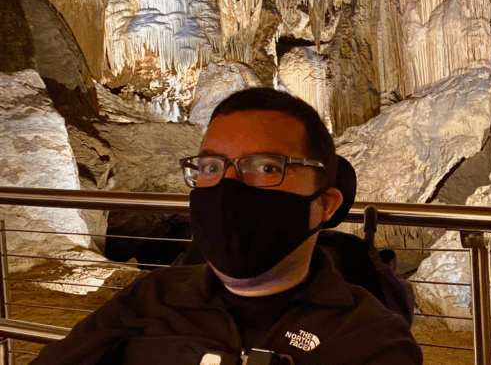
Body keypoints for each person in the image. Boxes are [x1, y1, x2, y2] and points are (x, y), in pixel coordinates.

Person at [32, 88, 423, 365]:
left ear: (325, 204)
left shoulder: (369, 340)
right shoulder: (149, 297)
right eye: (211, 167)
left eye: (268, 167)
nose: (228, 187)